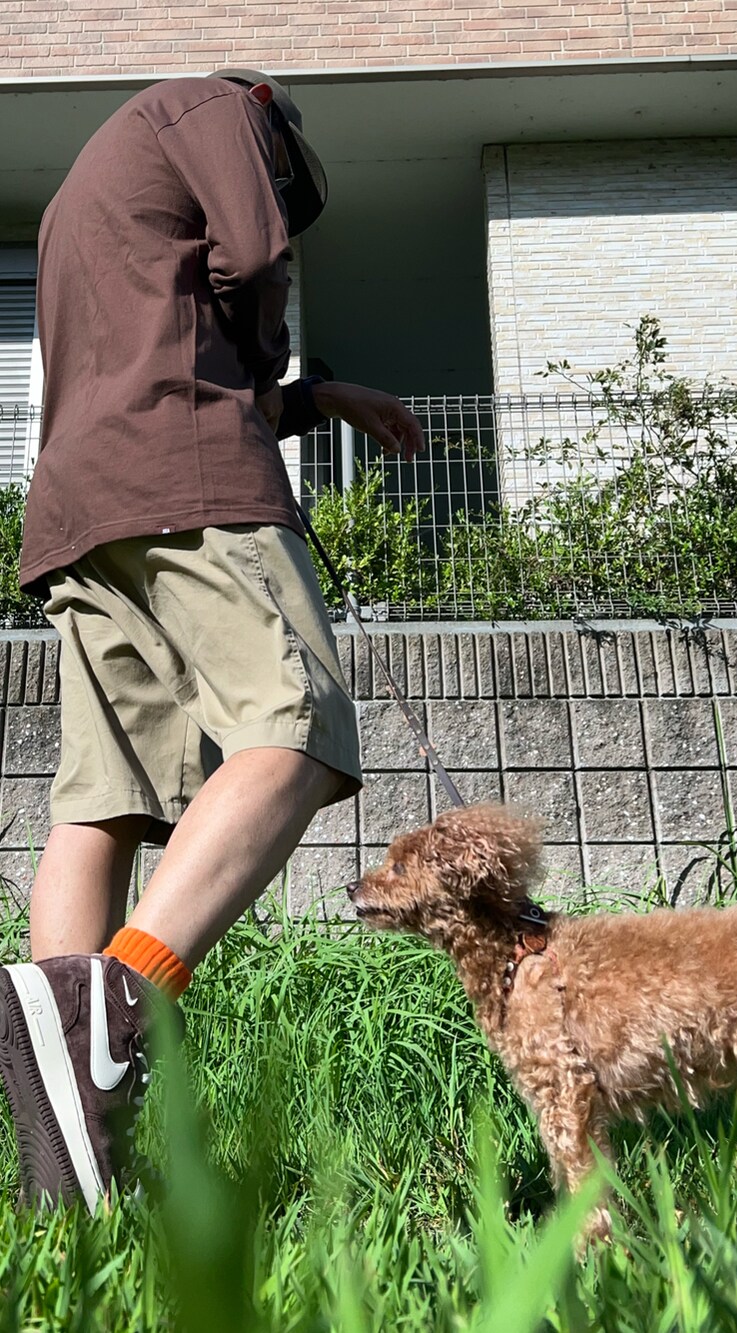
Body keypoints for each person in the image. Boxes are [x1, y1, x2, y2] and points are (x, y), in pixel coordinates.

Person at [0, 68, 424, 1212]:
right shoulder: (217, 106)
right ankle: (120, 1006)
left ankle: (65, 1159)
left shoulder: (80, 195)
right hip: (190, 481)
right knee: (297, 730)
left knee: (106, 799)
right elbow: (246, 258)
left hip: (80, 508)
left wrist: (319, 398)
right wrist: (281, 343)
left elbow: (165, 342)